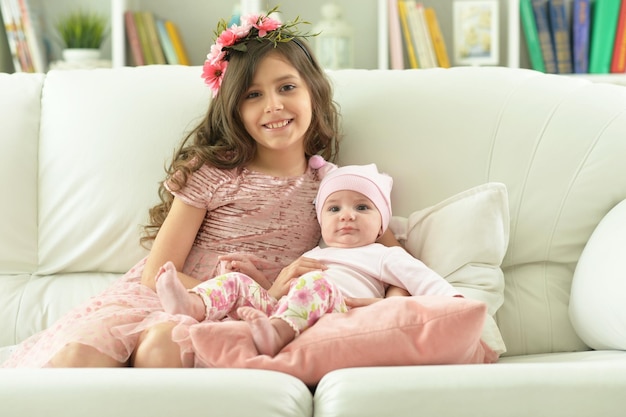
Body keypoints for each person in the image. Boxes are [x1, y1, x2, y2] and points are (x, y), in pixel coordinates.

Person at [2, 8, 376, 368]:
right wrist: (203, 297)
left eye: (287, 87)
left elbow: (389, 251)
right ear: (233, 108)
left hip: (253, 310)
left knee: (163, 347)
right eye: (253, 95)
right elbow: (156, 273)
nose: (274, 106)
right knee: (77, 357)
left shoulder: (334, 185)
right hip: (171, 296)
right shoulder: (213, 172)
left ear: (313, 90)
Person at [156, 164, 462, 357]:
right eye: (334, 209)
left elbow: (425, 281)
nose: (347, 215)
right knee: (237, 280)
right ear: (320, 222)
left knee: (317, 282)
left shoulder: (384, 255)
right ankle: (192, 305)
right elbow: (286, 289)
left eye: (362, 207)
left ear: (382, 224)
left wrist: (456, 301)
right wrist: (259, 282)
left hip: (340, 309)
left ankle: (276, 333)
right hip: (289, 306)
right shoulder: (314, 254)